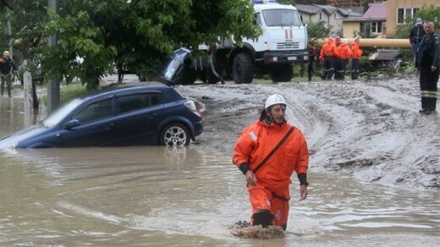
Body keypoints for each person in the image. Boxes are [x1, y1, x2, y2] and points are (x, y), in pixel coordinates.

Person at [232, 94, 309, 231]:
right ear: (268, 112)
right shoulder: (253, 131)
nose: (280, 113)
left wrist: (303, 183)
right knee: (262, 217)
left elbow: (302, 160)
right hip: (259, 184)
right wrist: (247, 171)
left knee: (279, 231)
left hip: (281, 189)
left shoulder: (295, 135)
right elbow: (239, 155)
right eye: (277, 110)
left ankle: (245, 229)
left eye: (283, 110)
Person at [416, 21, 440, 115]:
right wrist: (417, 66)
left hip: (432, 66)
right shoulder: (424, 37)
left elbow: (438, 52)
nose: (427, 29)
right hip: (424, 66)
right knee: (424, 86)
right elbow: (420, 52)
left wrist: (435, 64)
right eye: (426, 27)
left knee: (431, 86)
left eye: (429, 27)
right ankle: (425, 107)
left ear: (433, 28)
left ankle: (431, 107)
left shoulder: (436, 38)